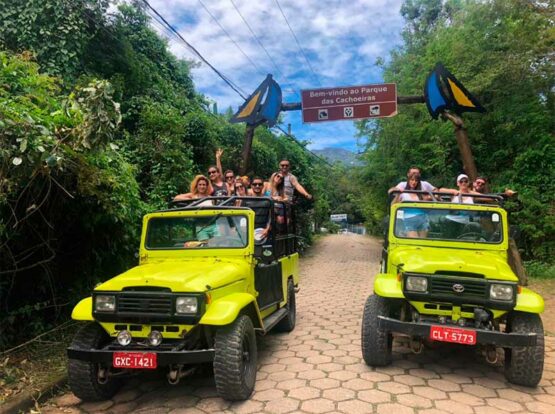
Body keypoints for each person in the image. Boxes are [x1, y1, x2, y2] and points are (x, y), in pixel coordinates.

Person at [394, 172, 430, 238]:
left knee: (423, 243)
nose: (414, 182)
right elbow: (393, 205)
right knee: (414, 243)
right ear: (408, 180)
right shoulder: (403, 192)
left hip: (422, 218)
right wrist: (398, 194)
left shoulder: (420, 193)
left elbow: (427, 204)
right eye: (412, 180)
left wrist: (427, 197)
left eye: (416, 180)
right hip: (409, 219)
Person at [247, 177, 272, 242]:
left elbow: (271, 217)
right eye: (255, 184)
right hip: (248, 233)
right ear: (251, 186)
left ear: (263, 186)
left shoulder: (268, 200)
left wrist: (267, 229)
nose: (257, 186)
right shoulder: (246, 200)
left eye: (259, 184)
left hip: (264, 233)